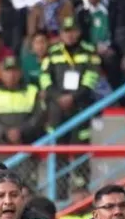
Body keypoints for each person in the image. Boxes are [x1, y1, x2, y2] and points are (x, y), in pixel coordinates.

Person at [40, 16, 101, 188]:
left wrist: (73, 97)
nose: (70, 35)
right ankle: (60, 189)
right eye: (66, 32)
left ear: (79, 32)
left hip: (80, 108)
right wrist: (58, 97)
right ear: (60, 34)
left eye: (73, 31)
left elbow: (92, 78)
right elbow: (45, 78)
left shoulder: (89, 51)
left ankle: (82, 188)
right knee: (59, 151)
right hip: (57, 109)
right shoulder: (52, 53)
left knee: (80, 149)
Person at [0, 56, 44, 182]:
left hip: (26, 146)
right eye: (7, 71)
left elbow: (39, 117)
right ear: (1, 73)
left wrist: (21, 131)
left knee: (27, 186)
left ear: (20, 73)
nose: (11, 75)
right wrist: (4, 132)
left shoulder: (32, 91)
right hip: (0, 149)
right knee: (0, 185)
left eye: (15, 71)